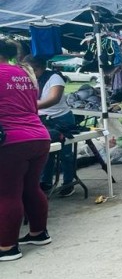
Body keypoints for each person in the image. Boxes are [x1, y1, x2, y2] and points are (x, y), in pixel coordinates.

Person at [0, 40, 52, 262]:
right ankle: (38, 233)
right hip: (39, 136)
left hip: (12, 140)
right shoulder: (24, 73)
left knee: (8, 193)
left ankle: (7, 247)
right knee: (31, 188)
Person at [24, 55, 79, 196]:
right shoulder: (28, 79)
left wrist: (28, 105)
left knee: (65, 154)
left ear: (39, 68)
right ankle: (46, 182)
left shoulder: (55, 78)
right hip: (42, 119)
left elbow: (53, 99)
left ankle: (68, 182)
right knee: (45, 152)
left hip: (62, 119)